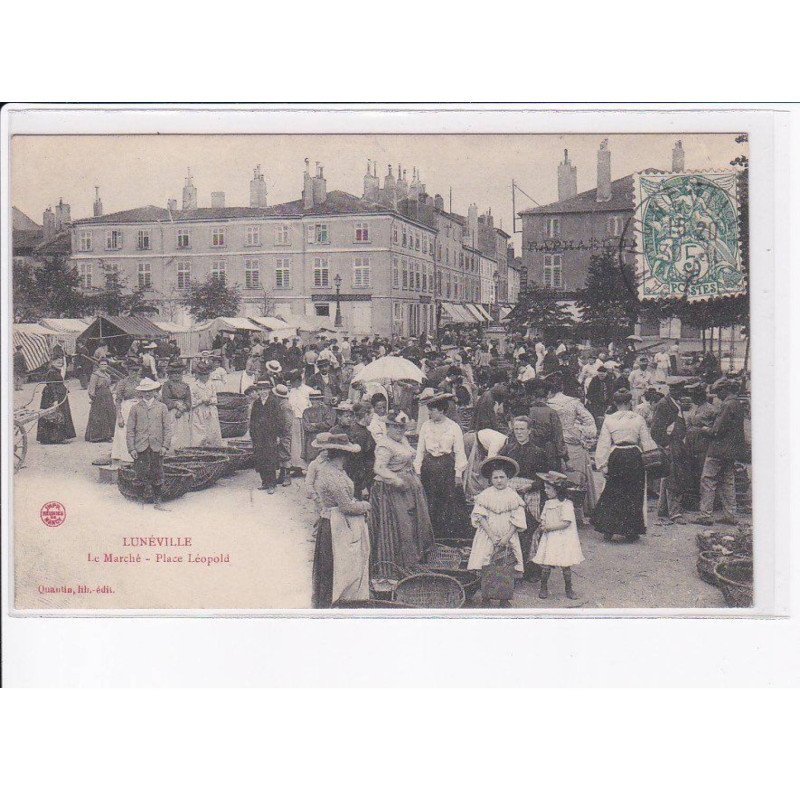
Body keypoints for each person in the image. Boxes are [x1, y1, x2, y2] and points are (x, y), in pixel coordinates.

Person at [309, 433, 372, 609]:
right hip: (335, 523)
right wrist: (365, 505)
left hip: (334, 521)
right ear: (343, 455)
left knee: (334, 565)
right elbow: (346, 506)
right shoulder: (332, 475)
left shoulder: (334, 470)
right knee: (336, 565)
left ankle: (334, 599)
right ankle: (335, 601)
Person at [371, 409, 434, 572]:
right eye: (396, 427)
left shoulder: (402, 439)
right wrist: (397, 481)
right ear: (388, 427)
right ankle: (400, 563)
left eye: (402, 427)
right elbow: (379, 468)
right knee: (402, 525)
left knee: (416, 521)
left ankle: (415, 558)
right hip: (393, 490)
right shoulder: (384, 444)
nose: (400, 430)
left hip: (409, 486)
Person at [592, 389, 658, 542]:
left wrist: (602, 465)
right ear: (630, 403)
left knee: (613, 491)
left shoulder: (609, 419)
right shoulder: (638, 418)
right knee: (634, 492)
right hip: (634, 456)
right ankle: (631, 530)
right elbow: (646, 441)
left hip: (617, 456)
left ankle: (609, 529)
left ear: (615, 403)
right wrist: (651, 458)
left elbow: (603, 443)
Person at [467, 456, 527, 595]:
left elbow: (517, 519)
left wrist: (507, 537)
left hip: (507, 534)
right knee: (486, 562)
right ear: (491, 479)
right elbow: (480, 516)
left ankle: (504, 598)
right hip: (488, 534)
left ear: (507, 478)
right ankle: (486, 596)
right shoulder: (485, 495)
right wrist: (492, 536)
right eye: (495, 478)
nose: (499, 481)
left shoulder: (513, 495)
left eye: (502, 477)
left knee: (506, 564)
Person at [415, 393, 469, 540]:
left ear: (442, 410)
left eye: (432, 410)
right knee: (430, 499)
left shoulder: (453, 427)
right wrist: (418, 470)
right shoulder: (426, 426)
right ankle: (430, 534)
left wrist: (458, 474)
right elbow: (420, 450)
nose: (429, 413)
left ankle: (447, 535)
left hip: (446, 467)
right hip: (429, 467)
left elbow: (459, 452)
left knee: (448, 500)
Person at [545, 373, 598, 520]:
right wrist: (578, 432)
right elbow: (591, 426)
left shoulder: (547, 404)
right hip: (573, 444)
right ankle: (576, 514)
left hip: (552, 444)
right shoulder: (573, 403)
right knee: (575, 478)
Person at [696, 379, 746, 526]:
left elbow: (716, 431)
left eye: (718, 392)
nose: (717, 395)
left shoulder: (726, 405)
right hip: (731, 451)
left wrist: (704, 429)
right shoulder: (737, 404)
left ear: (725, 390)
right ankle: (730, 515)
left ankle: (706, 515)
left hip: (718, 450)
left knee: (708, 480)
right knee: (727, 482)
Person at [531, 471, 583, 600]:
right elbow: (543, 517)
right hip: (550, 538)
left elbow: (565, 523)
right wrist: (542, 524)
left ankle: (569, 588)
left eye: (548, 488)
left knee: (565, 564)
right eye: (545, 488)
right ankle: (543, 587)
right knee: (546, 564)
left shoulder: (566, 504)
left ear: (558, 489)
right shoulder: (548, 503)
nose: (546, 491)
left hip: (563, 538)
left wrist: (548, 527)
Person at [126, 376, 172, 505]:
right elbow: (130, 430)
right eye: (144, 391)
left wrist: (165, 446)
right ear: (140, 393)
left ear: (154, 391)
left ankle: (157, 497)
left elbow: (167, 428)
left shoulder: (161, 407)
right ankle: (140, 498)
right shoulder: (135, 408)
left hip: (157, 446)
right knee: (140, 473)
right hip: (141, 446)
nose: (147, 393)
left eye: (150, 391)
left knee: (157, 472)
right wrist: (131, 448)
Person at [651, 377, 688, 524]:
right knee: (673, 477)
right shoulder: (663, 405)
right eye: (679, 390)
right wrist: (665, 444)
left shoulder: (675, 403)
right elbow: (655, 430)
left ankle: (663, 509)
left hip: (677, 444)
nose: (682, 393)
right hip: (670, 445)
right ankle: (674, 513)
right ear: (672, 390)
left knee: (668, 477)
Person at [249, 381, 293, 492]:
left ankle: (271, 484)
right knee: (260, 457)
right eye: (260, 390)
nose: (262, 392)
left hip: (270, 435)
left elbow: (279, 420)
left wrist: (278, 434)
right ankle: (264, 482)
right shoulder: (256, 403)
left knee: (270, 458)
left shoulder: (274, 402)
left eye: (264, 389)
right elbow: (253, 420)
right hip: (259, 435)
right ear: (258, 391)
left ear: (268, 390)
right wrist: (253, 434)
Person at [527, 378, 568, 472]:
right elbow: (558, 436)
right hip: (549, 451)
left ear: (534, 397)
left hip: (532, 451)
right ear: (546, 397)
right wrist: (565, 458)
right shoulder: (551, 412)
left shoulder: (528, 411)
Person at [36, 357, 76, 445]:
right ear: (52, 362)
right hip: (53, 396)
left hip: (59, 394)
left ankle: (58, 437)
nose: (60, 364)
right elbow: (52, 386)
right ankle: (56, 438)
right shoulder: (52, 372)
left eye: (61, 363)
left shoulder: (56, 371)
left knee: (60, 414)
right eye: (58, 362)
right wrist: (55, 399)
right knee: (57, 415)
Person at [111, 360, 143, 463]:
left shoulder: (141, 382)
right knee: (124, 431)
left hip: (139, 408)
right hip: (127, 408)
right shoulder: (122, 383)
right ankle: (125, 455)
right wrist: (119, 416)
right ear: (128, 371)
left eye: (136, 370)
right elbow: (118, 400)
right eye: (132, 371)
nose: (134, 373)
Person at [346, 402, 376, 498]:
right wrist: (363, 487)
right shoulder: (361, 434)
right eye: (372, 415)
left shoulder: (354, 428)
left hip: (360, 476)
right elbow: (357, 462)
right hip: (361, 479)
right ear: (366, 415)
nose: (372, 418)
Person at [189, 362, 223, 447]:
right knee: (199, 433)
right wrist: (201, 400)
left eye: (207, 374)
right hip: (198, 411)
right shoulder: (193, 385)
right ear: (198, 375)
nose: (205, 377)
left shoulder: (211, 384)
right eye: (202, 375)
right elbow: (191, 401)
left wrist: (210, 400)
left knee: (212, 431)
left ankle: (213, 448)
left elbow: (215, 398)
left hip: (210, 410)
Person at [161, 361, 193, 450]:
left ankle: (184, 450)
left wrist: (183, 408)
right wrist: (175, 405)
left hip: (183, 412)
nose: (177, 375)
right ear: (170, 375)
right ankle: (171, 451)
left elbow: (189, 401)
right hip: (171, 412)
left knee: (184, 432)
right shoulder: (167, 385)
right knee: (172, 432)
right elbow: (165, 400)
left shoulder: (186, 386)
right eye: (174, 373)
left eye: (179, 373)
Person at [85, 358, 116, 442]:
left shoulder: (107, 375)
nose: (104, 366)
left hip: (108, 396)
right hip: (99, 397)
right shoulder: (95, 375)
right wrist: (92, 397)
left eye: (105, 364)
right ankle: (97, 436)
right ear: (99, 365)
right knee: (99, 415)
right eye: (102, 364)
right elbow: (91, 387)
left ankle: (108, 435)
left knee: (109, 414)